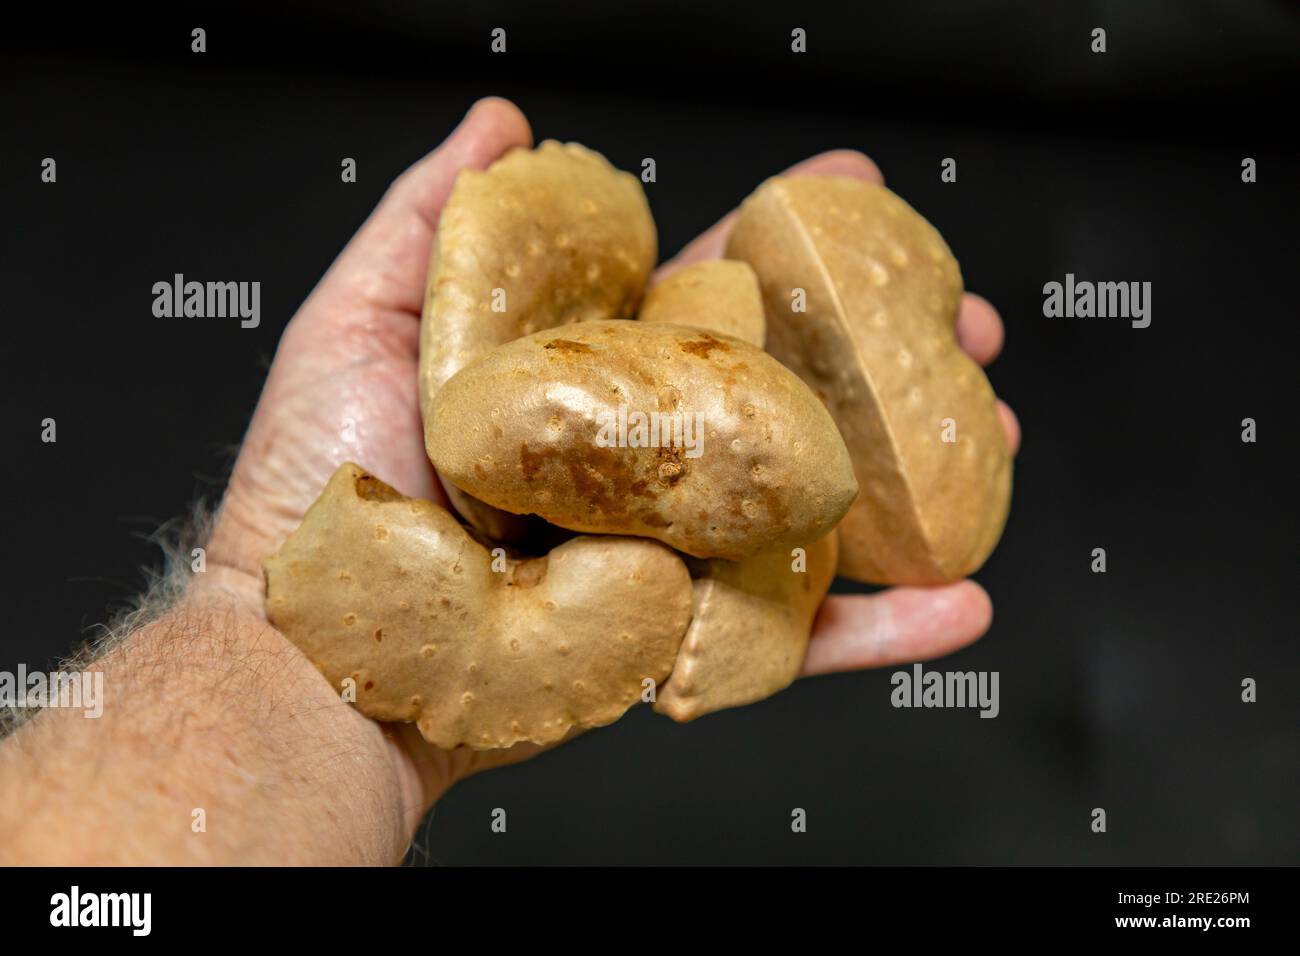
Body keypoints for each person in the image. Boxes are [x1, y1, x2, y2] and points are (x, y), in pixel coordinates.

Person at [0, 98, 1019, 865]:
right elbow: (488, 438)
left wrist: (251, 615)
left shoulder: (746, 455)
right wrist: (264, 617)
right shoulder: (497, 434)